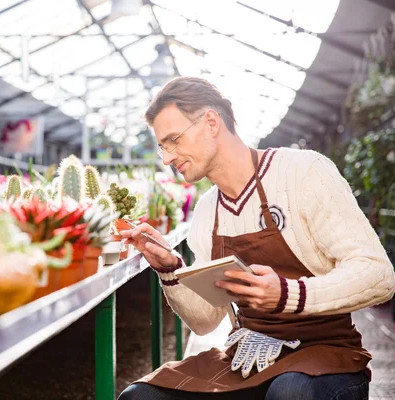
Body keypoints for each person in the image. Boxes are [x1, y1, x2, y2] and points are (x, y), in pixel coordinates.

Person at [118, 76, 395, 400]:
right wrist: (170, 269)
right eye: (163, 146)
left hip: (326, 357)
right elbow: (206, 321)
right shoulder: (209, 211)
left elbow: (379, 274)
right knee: (139, 396)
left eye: (174, 140)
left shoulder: (302, 173)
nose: (167, 158)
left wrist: (289, 293)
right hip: (249, 356)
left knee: (291, 392)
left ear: (210, 122)